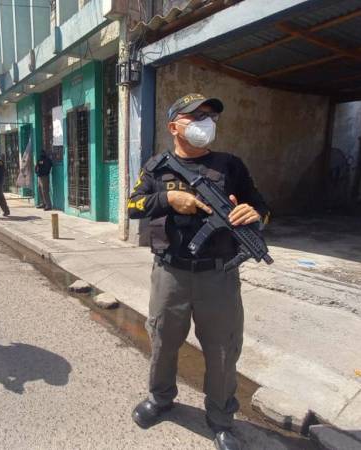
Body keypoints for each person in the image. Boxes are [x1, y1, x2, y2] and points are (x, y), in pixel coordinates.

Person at [127, 94, 270, 450]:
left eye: (210, 116)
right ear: (174, 125)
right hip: (170, 274)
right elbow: (132, 205)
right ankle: (161, 399)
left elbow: (262, 207)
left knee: (223, 350)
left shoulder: (230, 165)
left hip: (218, 276)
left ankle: (220, 419)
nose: (206, 122)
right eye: (196, 116)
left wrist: (254, 215)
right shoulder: (156, 166)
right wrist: (168, 199)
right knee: (163, 340)